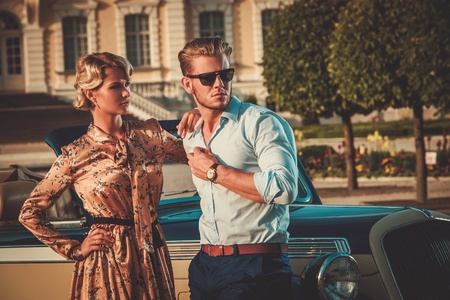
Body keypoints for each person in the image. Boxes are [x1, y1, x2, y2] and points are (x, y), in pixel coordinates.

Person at [19, 52, 198, 300]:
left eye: (127, 85)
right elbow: (30, 212)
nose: (126, 93)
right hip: (107, 262)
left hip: (153, 254)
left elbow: (200, 156)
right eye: (116, 86)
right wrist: (74, 248)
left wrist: (202, 116)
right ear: (91, 94)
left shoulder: (150, 135)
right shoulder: (75, 155)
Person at [178, 37, 299, 299]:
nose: (220, 84)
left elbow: (285, 189)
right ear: (188, 84)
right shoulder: (191, 133)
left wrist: (215, 172)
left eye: (225, 74)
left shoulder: (261, 123)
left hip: (256, 265)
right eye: (208, 78)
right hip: (204, 265)